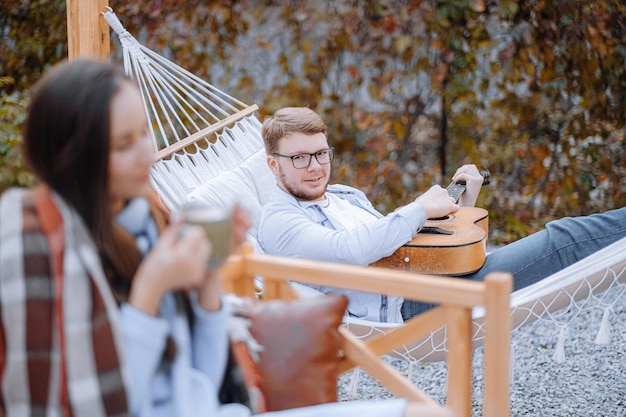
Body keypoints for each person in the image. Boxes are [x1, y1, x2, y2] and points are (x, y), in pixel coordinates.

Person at [0, 59, 453, 417]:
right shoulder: (34, 241)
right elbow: (104, 404)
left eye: (145, 133)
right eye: (124, 144)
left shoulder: (144, 224)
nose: (149, 154)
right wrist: (153, 288)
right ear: (70, 157)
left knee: (429, 412)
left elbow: (204, 369)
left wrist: (209, 282)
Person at [257, 107, 626, 322]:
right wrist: (419, 207)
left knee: (563, 236)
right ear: (274, 165)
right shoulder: (280, 221)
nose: (315, 167)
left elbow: (407, 247)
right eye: (300, 158)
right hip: (414, 305)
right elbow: (349, 250)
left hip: (437, 278)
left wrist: (461, 205)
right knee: (563, 240)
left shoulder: (342, 195)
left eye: (321, 153)